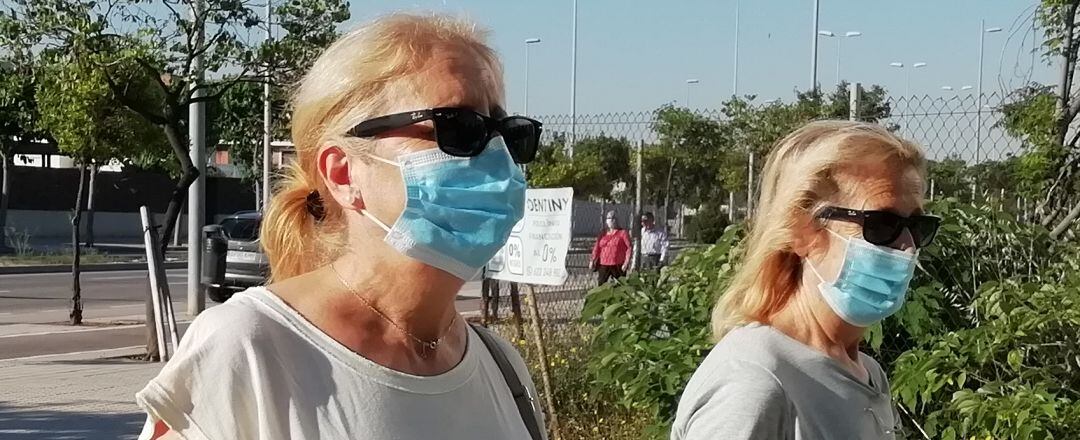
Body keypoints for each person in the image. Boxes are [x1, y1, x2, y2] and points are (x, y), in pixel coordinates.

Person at [134, 14, 548, 440]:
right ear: (343, 173)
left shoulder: (501, 365)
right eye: (459, 127)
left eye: (509, 134)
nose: (497, 157)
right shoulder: (249, 350)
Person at [672, 121, 941, 440]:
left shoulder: (866, 373)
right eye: (882, 225)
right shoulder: (754, 384)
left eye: (918, 227)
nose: (907, 245)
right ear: (802, 231)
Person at [590, 210, 632, 284]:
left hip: (618, 264)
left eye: (613, 218)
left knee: (620, 286)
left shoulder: (622, 233)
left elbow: (629, 248)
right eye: (609, 218)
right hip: (604, 263)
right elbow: (597, 247)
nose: (611, 220)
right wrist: (592, 260)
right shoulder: (603, 233)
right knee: (601, 285)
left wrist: (626, 262)